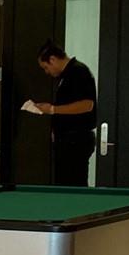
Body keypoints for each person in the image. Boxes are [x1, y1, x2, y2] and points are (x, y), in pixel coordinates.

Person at [34, 40, 97, 186]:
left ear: (52, 59)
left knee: (74, 182)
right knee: (63, 182)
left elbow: (87, 104)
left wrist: (53, 109)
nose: (47, 72)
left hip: (76, 140)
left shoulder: (79, 72)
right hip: (66, 140)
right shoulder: (66, 76)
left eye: (46, 67)